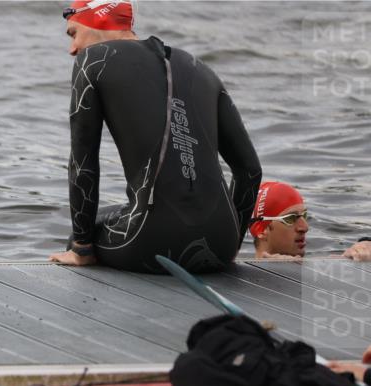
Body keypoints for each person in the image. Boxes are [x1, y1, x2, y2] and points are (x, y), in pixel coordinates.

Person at [50, 0, 262, 273]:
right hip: (222, 244)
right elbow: (250, 170)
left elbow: (83, 163)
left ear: (99, 20)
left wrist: (81, 248)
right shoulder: (200, 66)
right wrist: (230, 247)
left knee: (80, 237)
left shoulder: (92, 60)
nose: (72, 49)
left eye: (73, 33)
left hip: (150, 242)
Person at [250, 181, 309, 258]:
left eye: (304, 215)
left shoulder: (321, 267)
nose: (305, 227)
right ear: (262, 231)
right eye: (291, 218)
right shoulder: (234, 269)